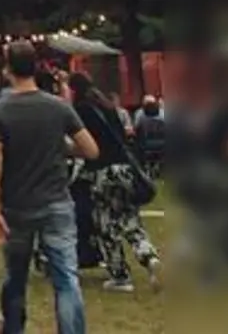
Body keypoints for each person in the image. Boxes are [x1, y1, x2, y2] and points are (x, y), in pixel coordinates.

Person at [0, 42, 99, 334]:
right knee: (66, 280)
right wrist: (62, 148)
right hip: (56, 201)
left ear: (8, 70)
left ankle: (13, 328)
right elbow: (90, 149)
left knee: (16, 277)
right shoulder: (58, 106)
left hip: (16, 205)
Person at [68, 72, 162, 293]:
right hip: (125, 169)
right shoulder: (108, 107)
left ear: (73, 90)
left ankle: (120, 276)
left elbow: (86, 146)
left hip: (103, 172)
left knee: (106, 224)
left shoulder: (80, 111)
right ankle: (150, 258)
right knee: (130, 220)